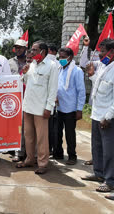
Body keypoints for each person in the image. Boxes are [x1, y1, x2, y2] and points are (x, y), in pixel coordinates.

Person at [16, 41, 58, 174]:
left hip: (41, 108)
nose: (31, 52)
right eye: (31, 50)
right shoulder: (32, 65)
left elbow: (53, 89)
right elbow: (25, 82)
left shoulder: (52, 66)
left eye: (34, 50)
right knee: (28, 136)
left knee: (41, 138)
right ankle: (29, 159)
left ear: (43, 52)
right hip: (28, 106)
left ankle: (42, 163)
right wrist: (23, 73)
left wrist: (48, 108)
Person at [81, 40, 114, 193]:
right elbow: (99, 87)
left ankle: (110, 181)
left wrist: (108, 116)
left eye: (103, 51)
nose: (100, 54)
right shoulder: (104, 67)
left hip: (107, 117)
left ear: (112, 52)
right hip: (96, 113)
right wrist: (92, 75)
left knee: (109, 151)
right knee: (97, 147)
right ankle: (99, 173)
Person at [54, 47, 86, 165]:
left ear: (70, 57)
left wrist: (79, 109)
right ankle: (58, 153)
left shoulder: (77, 71)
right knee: (57, 132)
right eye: (60, 57)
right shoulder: (59, 69)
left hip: (71, 108)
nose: (61, 59)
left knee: (70, 134)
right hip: (59, 107)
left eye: (63, 57)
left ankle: (72, 156)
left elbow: (81, 91)